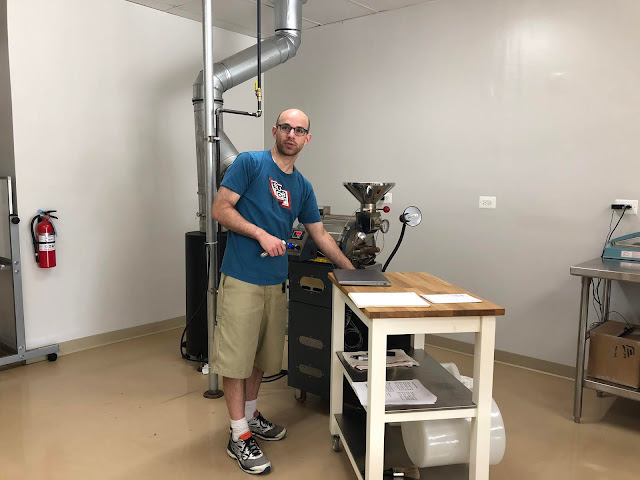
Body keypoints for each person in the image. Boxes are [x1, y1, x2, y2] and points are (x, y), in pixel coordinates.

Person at [211, 108, 355, 475]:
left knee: (262, 356)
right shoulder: (249, 164)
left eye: (300, 130)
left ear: (308, 139)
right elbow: (220, 208)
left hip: (276, 283)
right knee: (236, 359)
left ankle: (250, 415)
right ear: (275, 130)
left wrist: (352, 273)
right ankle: (238, 435)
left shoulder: (302, 186)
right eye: (286, 127)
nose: (292, 134)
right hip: (242, 278)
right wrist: (259, 232)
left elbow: (319, 234)